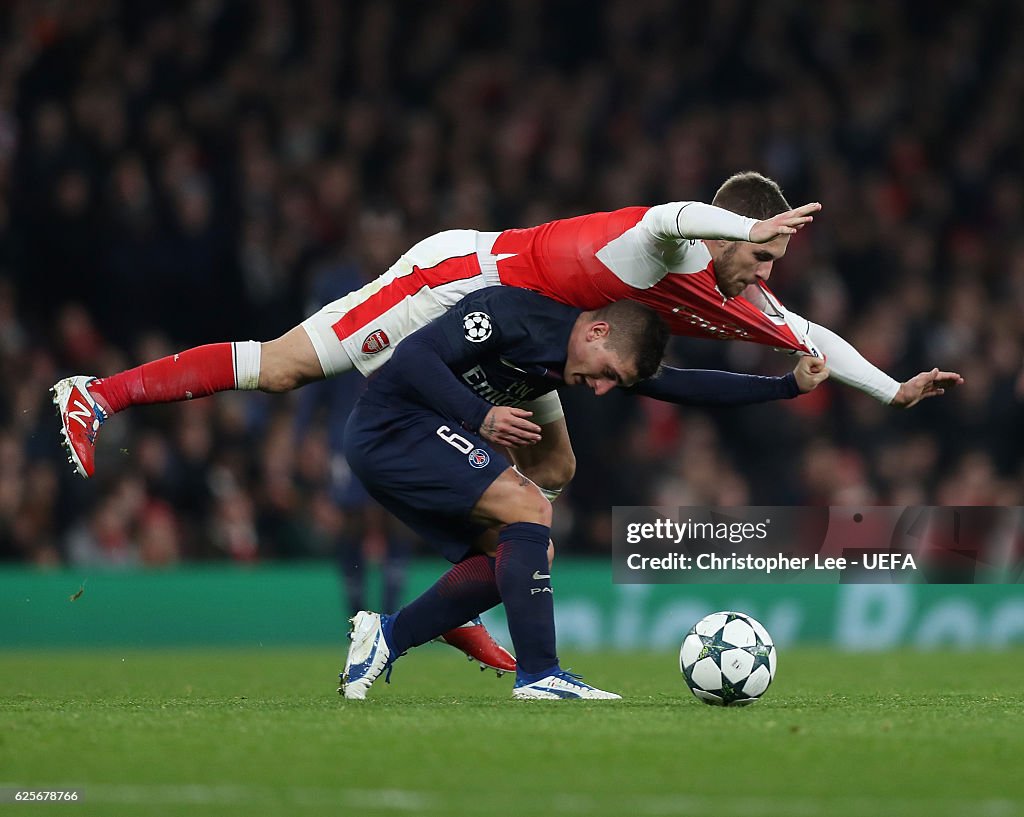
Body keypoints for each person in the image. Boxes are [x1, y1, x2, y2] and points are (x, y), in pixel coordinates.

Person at [338, 286, 828, 700]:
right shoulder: (512, 315)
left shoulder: (582, 354)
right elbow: (414, 356)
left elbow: (683, 386)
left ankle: (386, 636)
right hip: (392, 428)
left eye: (614, 383)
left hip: (411, 437)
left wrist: (785, 387)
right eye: (607, 373)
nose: (599, 389)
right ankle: (540, 674)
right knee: (528, 506)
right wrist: (481, 414)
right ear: (597, 332)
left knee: (528, 552)